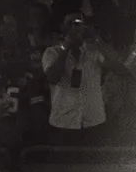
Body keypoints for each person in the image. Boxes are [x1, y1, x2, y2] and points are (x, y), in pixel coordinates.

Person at [40, 11, 125, 141]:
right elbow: (52, 78)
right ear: (62, 27)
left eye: (78, 23)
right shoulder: (52, 52)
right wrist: (66, 45)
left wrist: (97, 39)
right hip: (63, 122)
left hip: (93, 122)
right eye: (70, 24)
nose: (74, 27)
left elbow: (119, 67)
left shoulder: (94, 51)